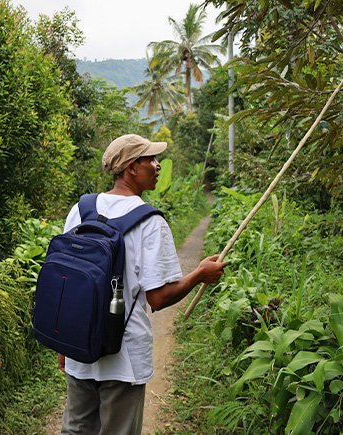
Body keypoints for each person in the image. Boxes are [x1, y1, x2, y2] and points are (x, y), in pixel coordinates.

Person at [58, 133, 227, 435]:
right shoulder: (150, 222)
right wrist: (199, 274)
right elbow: (159, 298)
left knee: (75, 430)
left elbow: (67, 281)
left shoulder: (80, 210)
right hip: (123, 357)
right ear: (131, 168)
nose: (158, 165)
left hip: (79, 344)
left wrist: (63, 345)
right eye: (150, 159)